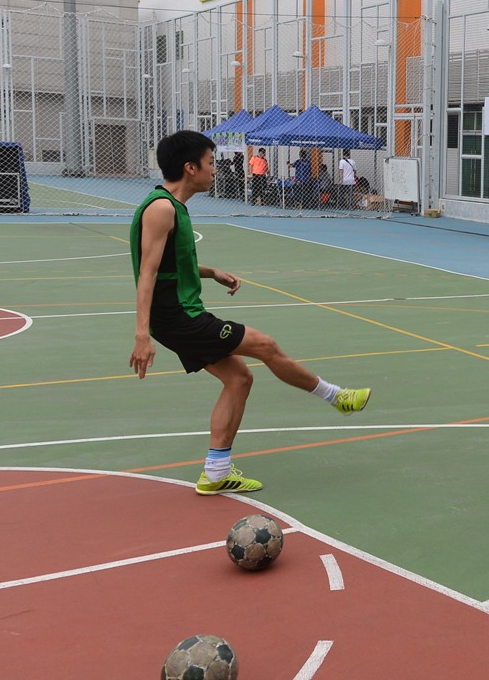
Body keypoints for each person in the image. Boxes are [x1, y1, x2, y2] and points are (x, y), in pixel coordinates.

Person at [130, 130, 371, 495]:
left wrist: (210, 272)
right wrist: (141, 335)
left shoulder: (171, 206)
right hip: (180, 317)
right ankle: (336, 397)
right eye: (210, 163)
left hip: (178, 315)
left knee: (239, 379)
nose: (214, 170)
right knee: (265, 345)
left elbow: (169, 265)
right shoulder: (162, 209)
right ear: (190, 168)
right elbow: (147, 273)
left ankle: (216, 471)